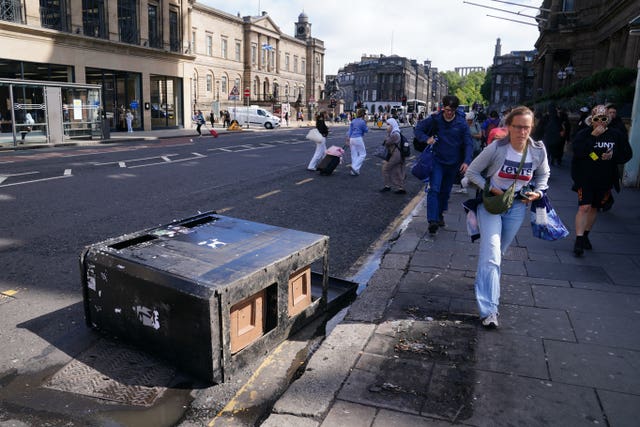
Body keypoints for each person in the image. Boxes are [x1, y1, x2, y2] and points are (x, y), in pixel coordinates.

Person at [465, 106, 550, 328]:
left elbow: (543, 174)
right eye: (518, 126)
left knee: (497, 254)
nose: (522, 132)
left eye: (527, 127)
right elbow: (472, 172)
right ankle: (489, 310)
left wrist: (538, 191)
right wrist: (490, 188)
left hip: (517, 207)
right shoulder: (496, 148)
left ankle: (483, 282)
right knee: (492, 254)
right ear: (509, 126)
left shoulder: (538, 150)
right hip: (491, 206)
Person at [570, 104, 633, 257]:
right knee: (584, 207)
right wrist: (593, 137)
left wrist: (613, 156)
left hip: (604, 178)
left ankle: (585, 235)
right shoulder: (585, 133)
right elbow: (578, 151)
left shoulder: (616, 135)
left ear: (608, 119)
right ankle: (578, 240)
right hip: (586, 177)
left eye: (604, 119)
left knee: (594, 208)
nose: (600, 122)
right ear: (592, 119)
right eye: (597, 119)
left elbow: (627, 154)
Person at [414, 95, 474, 234]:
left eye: (452, 110)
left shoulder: (461, 123)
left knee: (445, 192)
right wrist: (426, 138)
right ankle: (432, 221)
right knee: (434, 189)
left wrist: (467, 161)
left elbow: (468, 143)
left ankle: (440, 214)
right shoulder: (435, 119)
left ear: (455, 109)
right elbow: (418, 129)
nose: (449, 113)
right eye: (447, 109)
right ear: (443, 107)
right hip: (437, 161)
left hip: (453, 163)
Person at [380, 117, 406, 194]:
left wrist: (388, 134)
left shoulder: (395, 134)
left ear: (393, 125)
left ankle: (387, 186)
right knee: (397, 171)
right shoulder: (396, 132)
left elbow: (386, 142)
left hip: (395, 155)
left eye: (388, 124)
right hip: (397, 155)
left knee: (385, 169)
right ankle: (401, 188)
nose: (387, 126)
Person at [346, 109, 368, 176]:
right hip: (358, 138)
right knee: (363, 154)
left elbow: (350, 131)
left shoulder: (353, 120)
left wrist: (347, 139)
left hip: (352, 138)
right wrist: (366, 122)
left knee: (354, 154)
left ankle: (354, 171)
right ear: (363, 114)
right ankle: (354, 167)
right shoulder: (362, 122)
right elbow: (366, 130)